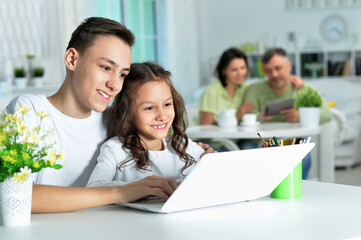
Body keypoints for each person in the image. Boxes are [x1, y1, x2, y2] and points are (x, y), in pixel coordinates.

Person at [5, 17, 213, 213]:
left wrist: (197, 155)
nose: (115, 85)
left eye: (122, 74)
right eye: (105, 67)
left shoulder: (114, 119)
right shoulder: (28, 109)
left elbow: (156, 141)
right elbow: (13, 195)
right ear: (72, 59)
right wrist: (121, 191)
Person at [87, 62, 205, 187]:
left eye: (167, 104)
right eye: (149, 108)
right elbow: (93, 187)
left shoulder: (183, 146)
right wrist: (138, 187)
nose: (162, 116)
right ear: (126, 112)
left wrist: (211, 160)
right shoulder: (115, 150)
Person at [243, 47, 332, 179]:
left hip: (290, 144)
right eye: (268, 71)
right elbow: (245, 118)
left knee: (303, 158)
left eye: (278, 68)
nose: (274, 75)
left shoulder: (303, 89)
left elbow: (326, 114)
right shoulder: (254, 90)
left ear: (289, 66)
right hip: (259, 144)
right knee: (247, 154)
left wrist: (299, 117)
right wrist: (260, 117)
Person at [199, 48, 305, 125]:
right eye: (234, 70)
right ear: (223, 71)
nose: (240, 73)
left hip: (236, 141)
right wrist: (239, 114)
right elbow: (206, 129)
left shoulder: (246, 88)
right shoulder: (212, 92)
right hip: (215, 145)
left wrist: (293, 79)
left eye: (242, 68)